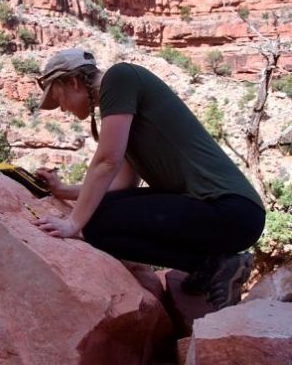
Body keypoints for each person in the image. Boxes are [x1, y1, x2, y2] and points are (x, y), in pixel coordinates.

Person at [31, 48, 265, 310]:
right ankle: (211, 265)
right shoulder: (122, 105)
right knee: (101, 217)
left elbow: (107, 161)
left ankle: (213, 265)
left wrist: (72, 223)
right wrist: (62, 190)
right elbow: (122, 186)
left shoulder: (119, 78)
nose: (62, 108)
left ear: (73, 82)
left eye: (58, 97)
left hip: (231, 211)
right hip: (217, 212)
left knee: (96, 224)